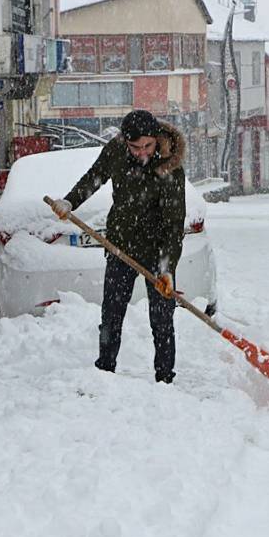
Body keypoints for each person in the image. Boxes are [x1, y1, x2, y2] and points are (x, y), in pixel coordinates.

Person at [49, 110, 186, 383]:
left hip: (157, 250)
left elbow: (174, 225)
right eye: (134, 147)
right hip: (120, 245)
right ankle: (105, 370)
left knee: (161, 318)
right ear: (125, 141)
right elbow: (94, 177)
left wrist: (167, 269)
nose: (141, 152)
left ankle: (165, 377)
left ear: (156, 139)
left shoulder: (171, 167)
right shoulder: (116, 151)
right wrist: (70, 202)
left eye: (147, 146)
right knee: (111, 313)